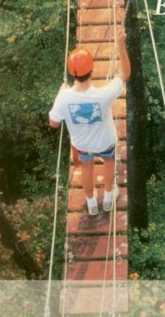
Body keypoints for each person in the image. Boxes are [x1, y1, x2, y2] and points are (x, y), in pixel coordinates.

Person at [49, 30, 130, 216]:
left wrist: (60, 93)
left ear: (72, 73)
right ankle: (108, 199)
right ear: (92, 71)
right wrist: (120, 44)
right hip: (105, 142)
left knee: (86, 167)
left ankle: (91, 203)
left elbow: (53, 123)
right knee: (108, 162)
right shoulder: (103, 95)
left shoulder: (64, 98)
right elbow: (125, 73)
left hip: (83, 146)